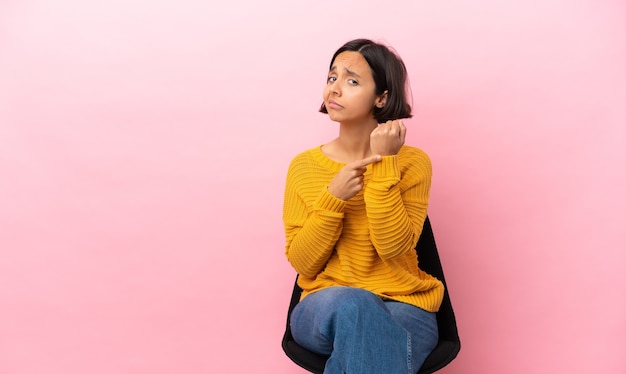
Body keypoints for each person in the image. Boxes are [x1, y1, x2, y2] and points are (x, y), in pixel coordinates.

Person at [282, 38, 444, 374]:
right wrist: (333, 199)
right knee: (357, 307)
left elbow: (393, 247)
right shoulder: (304, 167)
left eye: (352, 81)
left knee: (365, 342)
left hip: (406, 305)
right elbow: (303, 263)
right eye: (332, 78)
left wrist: (385, 163)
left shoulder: (412, 163)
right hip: (325, 305)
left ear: (382, 98)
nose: (335, 89)